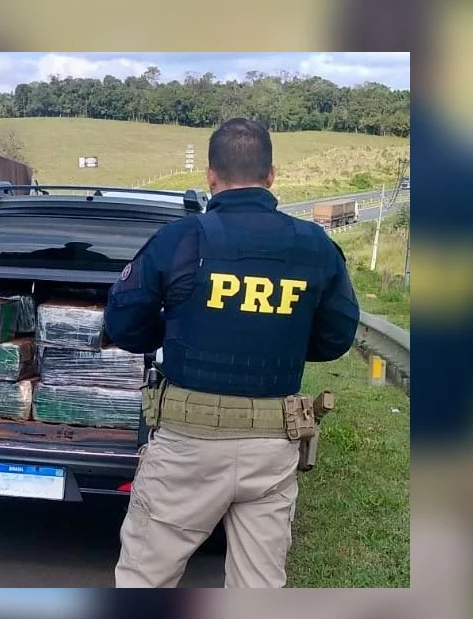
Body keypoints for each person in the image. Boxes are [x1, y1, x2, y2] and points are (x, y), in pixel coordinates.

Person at [106, 118, 360, 588]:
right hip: (273, 447)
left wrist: (173, 333)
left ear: (210, 175)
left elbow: (123, 323)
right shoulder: (316, 246)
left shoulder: (180, 239)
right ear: (271, 176)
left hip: (187, 445)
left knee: (145, 579)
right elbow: (337, 337)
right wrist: (277, 332)